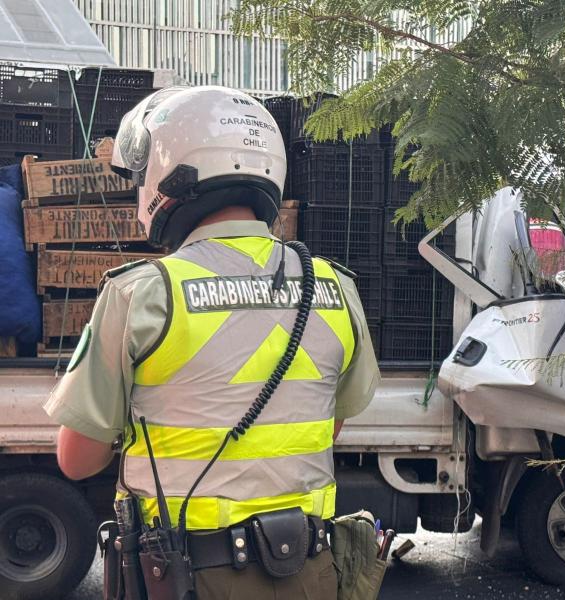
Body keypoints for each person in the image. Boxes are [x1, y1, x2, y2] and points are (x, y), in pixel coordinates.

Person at [43, 85, 380, 599]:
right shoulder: (336, 288)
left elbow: (78, 459)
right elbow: (325, 426)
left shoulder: (143, 292)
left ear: (170, 173)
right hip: (311, 573)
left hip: (187, 576)